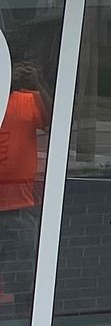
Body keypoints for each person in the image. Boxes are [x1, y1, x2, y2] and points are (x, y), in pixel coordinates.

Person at [0, 61, 50, 305]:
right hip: (18, 204)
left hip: (19, 205)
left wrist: (37, 85)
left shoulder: (26, 101)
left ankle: (23, 316)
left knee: (22, 277)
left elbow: (55, 120)